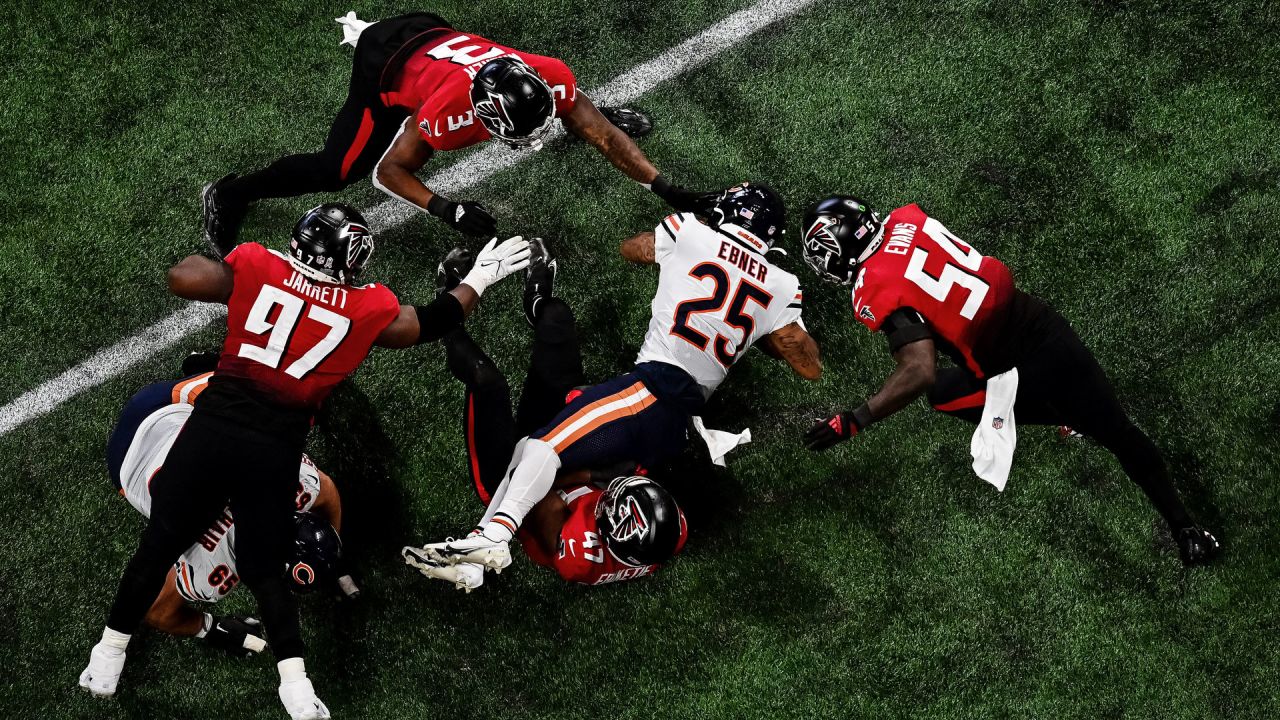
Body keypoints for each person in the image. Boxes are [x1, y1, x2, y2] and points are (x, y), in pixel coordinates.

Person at [79, 202, 531, 720]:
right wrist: (478, 278)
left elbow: (181, 277)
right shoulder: (366, 306)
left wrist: (245, 269)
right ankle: (295, 686)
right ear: (353, 261)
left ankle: (107, 657)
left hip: (214, 429)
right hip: (272, 448)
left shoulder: (260, 264)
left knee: (158, 546)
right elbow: (424, 324)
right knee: (265, 572)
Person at [414, 183, 822, 574]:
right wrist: (760, 323)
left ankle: (495, 535)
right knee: (538, 441)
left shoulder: (690, 231)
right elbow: (809, 367)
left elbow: (633, 249)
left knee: (541, 447)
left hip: (651, 393)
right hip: (675, 424)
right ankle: (479, 545)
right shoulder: (784, 286)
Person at [797, 195, 1221, 567]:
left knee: (1117, 435)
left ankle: (1185, 528)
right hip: (1038, 325)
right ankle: (1079, 424)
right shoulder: (908, 219)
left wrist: (856, 419)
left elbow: (920, 369)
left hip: (1024, 365)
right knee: (948, 396)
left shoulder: (875, 285)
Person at [201, 11, 711, 255]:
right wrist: (448, 207)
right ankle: (230, 192)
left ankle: (585, 116)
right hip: (387, 63)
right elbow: (390, 171)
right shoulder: (446, 118)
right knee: (341, 169)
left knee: (586, 117)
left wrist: (668, 189)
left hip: (435, 34)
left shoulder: (549, 74)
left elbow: (599, 134)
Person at [402, 242, 688, 589]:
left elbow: (540, 492)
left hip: (515, 479)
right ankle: (536, 301)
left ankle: (448, 304)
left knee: (486, 380)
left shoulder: (582, 556)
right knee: (557, 321)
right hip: (569, 448)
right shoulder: (669, 531)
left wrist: (591, 471)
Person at [106, 369, 350, 655]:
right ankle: (207, 364)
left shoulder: (297, 483)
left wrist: (331, 555)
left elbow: (327, 490)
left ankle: (215, 368)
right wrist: (212, 628)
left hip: (165, 424)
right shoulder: (214, 572)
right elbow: (156, 611)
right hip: (131, 455)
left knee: (258, 382)